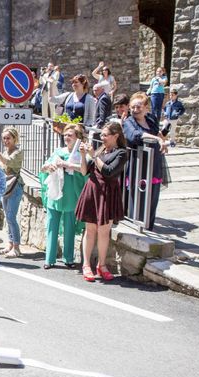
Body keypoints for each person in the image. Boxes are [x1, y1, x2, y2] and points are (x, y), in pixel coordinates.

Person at [75, 122, 128, 282]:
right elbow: (84, 171)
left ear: (116, 136)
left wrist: (94, 156)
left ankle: (102, 265)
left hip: (108, 193)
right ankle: (86, 265)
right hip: (93, 191)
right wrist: (84, 156)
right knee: (90, 230)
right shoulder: (100, 150)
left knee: (104, 231)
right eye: (102, 135)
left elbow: (109, 172)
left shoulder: (121, 153)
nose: (102, 138)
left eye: (105, 135)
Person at [38, 124, 88, 269]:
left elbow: (85, 172)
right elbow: (43, 168)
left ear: (77, 137)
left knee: (70, 228)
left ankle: (69, 258)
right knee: (51, 226)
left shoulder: (81, 154)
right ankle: (49, 259)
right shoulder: (58, 151)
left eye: (70, 135)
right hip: (56, 193)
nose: (66, 137)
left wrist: (66, 164)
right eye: (65, 135)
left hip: (72, 193)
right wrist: (49, 167)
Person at [123, 92, 169, 231]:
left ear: (146, 107)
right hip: (138, 164)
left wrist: (163, 142)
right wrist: (157, 139)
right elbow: (135, 135)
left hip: (153, 163)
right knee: (137, 197)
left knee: (152, 197)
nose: (135, 110)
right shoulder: (129, 122)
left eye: (138, 107)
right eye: (133, 107)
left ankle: (149, 227)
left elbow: (158, 134)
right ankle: (135, 227)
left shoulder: (151, 120)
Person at [0, 127, 24, 258]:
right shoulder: (5, 151)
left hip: (15, 186)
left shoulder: (18, 152)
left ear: (14, 138)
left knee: (11, 217)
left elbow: (7, 162)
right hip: (5, 185)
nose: (6, 141)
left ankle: (16, 247)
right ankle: (10, 244)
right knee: (7, 217)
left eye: (8, 138)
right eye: (4, 138)